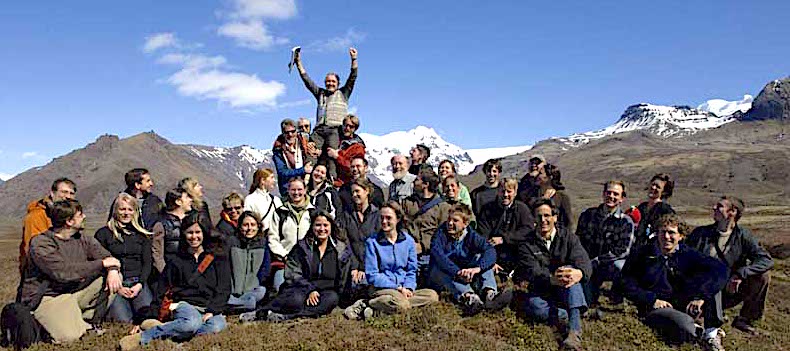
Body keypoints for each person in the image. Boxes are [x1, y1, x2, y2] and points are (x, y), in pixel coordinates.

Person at [119, 212, 231, 351]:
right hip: (185, 305)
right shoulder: (176, 260)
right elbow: (162, 288)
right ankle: (144, 336)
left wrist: (213, 311)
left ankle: (173, 332)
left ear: (205, 233)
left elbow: (224, 289)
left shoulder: (218, 258)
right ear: (184, 234)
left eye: (198, 232)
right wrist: (152, 315)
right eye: (190, 232)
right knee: (191, 323)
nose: (194, 237)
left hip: (208, 306)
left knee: (217, 326)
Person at [19, 199, 122, 344]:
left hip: (73, 292)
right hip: (48, 297)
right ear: (69, 221)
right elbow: (63, 273)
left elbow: (108, 257)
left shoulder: (83, 239)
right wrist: (102, 263)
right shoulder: (41, 243)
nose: (84, 217)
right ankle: (43, 322)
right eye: (80, 215)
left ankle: (87, 321)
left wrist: (112, 270)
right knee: (70, 337)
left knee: (114, 277)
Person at [621, 214, 728, 350]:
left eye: (671, 233)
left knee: (714, 285)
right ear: (657, 233)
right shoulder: (641, 254)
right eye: (663, 232)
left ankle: (711, 334)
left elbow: (720, 270)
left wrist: (700, 296)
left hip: (685, 304)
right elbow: (624, 283)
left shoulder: (688, 254)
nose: (666, 237)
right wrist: (651, 300)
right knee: (685, 326)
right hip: (656, 307)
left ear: (681, 236)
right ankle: (698, 332)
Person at [240, 211, 352, 322]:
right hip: (301, 288)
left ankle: (287, 317)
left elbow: (343, 276)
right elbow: (292, 272)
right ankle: (261, 312)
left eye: (325, 225)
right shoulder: (302, 247)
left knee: (331, 300)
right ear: (312, 227)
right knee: (296, 300)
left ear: (331, 227)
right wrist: (310, 290)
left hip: (327, 291)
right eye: (318, 225)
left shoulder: (340, 250)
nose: (322, 229)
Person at [686, 196, 773, 335]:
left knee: (763, 276)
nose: (714, 208)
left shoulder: (743, 236)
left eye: (719, 206)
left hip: (729, 288)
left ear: (732, 212)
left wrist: (740, 273)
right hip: (703, 288)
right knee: (691, 323)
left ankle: (745, 319)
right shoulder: (701, 233)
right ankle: (705, 314)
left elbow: (765, 260)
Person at [515, 199, 591, 351]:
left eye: (547, 215)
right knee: (534, 307)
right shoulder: (526, 244)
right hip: (543, 289)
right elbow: (531, 271)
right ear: (533, 219)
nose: (543, 220)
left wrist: (579, 273)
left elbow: (584, 261)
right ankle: (575, 312)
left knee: (570, 273)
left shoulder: (569, 238)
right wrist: (551, 279)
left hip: (567, 287)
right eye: (538, 216)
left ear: (555, 217)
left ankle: (574, 333)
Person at [355, 201, 438, 317]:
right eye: (382, 218)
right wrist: (397, 288)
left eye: (388, 218)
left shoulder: (408, 242)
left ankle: (376, 309)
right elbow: (372, 275)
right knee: (401, 304)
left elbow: (411, 270)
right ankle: (373, 303)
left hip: (403, 287)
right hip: (382, 287)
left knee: (432, 296)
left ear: (398, 219)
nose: (384, 222)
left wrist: (408, 287)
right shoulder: (372, 243)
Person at [429, 204, 505, 316]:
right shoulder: (440, 234)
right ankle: (469, 297)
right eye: (449, 219)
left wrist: (477, 269)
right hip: (447, 273)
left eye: (455, 221)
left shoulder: (471, 235)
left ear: (465, 224)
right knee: (439, 269)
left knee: (482, 259)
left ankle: (489, 293)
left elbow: (489, 250)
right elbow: (438, 255)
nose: (450, 224)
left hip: (465, 270)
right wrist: (457, 272)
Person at [295, 47, 358, 180]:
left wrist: (354, 60)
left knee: (331, 155)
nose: (330, 83)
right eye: (328, 81)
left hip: (334, 129)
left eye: (333, 81)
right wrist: (299, 63)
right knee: (310, 151)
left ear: (338, 83)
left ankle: (333, 180)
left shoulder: (343, 93)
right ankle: (306, 180)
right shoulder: (321, 94)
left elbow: (353, 78)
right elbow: (307, 81)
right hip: (319, 130)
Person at [95, 193, 154, 323]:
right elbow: (98, 262)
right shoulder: (103, 234)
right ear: (115, 211)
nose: (126, 213)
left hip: (138, 282)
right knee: (123, 321)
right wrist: (118, 287)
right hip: (114, 284)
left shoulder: (142, 236)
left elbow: (147, 263)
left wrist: (140, 284)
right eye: (122, 209)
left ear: (135, 212)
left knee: (146, 318)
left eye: (130, 209)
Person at [575, 180, 635, 309]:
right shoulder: (587, 215)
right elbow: (578, 241)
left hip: (608, 264)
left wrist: (598, 260)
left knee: (621, 266)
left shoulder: (626, 222)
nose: (611, 197)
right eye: (609, 192)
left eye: (616, 194)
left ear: (622, 198)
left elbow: (623, 251)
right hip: (587, 263)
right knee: (587, 303)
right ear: (603, 194)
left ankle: (617, 296)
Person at [476, 178, 534, 278]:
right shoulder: (487, 210)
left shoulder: (522, 209)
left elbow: (527, 231)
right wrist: (490, 261)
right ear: (498, 191)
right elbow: (483, 234)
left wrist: (504, 239)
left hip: (517, 254)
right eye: (503, 191)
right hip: (494, 254)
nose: (506, 195)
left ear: (515, 193)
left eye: (509, 191)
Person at [268, 177, 316, 292]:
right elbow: (273, 238)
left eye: (299, 189)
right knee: (281, 288)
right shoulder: (280, 213)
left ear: (305, 190)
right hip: (284, 263)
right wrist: (284, 255)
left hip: (308, 263)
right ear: (288, 191)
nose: (296, 193)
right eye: (293, 190)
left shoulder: (313, 213)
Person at [20, 177, 76, 273]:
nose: (68, 196)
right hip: (41, 276)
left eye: (71, 193)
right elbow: (34, 250)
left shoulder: (71, 216)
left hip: (63, 271)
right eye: (64, 192)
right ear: (52, 193)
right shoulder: (36, 217)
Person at [337, 178, 381, 295]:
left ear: (366, 191)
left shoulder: (377, 216)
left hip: (373, 263)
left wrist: (363, 267)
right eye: (352, 193)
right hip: (352, 264)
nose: (354, 195)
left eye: (357, 191)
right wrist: (354, 266)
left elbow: (378, 244)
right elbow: (346, 242)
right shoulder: (347, 216)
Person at [226, 211, 270, 312]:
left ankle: (236, 305)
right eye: (246, 225)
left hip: (253, 289)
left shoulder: (263, 243)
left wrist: (256, 281)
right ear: (240, 226)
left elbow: (265, 268)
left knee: (261, 291)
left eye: (253, 225)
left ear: (258, 226)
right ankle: (245, 304)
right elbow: (225, 267)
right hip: (233, 289)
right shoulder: (232, 242)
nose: (249, 228)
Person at [401, 168, 451, 256]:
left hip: (431, 255)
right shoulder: (407, 203)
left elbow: (444, 234)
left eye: (417, 180)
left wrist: (423, 246)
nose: (413, 182)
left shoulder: (443, 208)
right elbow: (402, 225)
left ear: (425, 184)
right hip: (407, 251)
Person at [151, 188, 193, 273]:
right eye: (187, 197)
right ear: (178, 202)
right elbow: (157, 254)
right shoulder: (162, 224)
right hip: (170, 273)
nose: (191, 200)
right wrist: (165, 274)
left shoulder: (192, 221)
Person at [272, 119, 315, 196]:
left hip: (307, 187)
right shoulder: (278, 149)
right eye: (287, 132)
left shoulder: (303, 142)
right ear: (283, 133)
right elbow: (282, 172)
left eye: (293, 131)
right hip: (288, 191)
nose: (290, 134)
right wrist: (303, 170)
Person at [527, 164, 574, 232]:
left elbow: (568, 222)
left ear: (549, 177)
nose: (536, 175)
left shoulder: (561, 196)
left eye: (540, 173)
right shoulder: (534, 194)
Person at [634, 173, 676, 248]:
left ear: (664, 191)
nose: (653, 187)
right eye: (653, 184)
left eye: (658, 187)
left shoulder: (665, 211)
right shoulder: (641, 207)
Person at [326, 114, 367, 187]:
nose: (347, 128)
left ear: (355, 129)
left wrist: (337, 156)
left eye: (351, 127)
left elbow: (354, 168)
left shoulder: (358, 147)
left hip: (346, 184)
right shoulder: (337, 140)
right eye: (345, 125)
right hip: (332, 181)